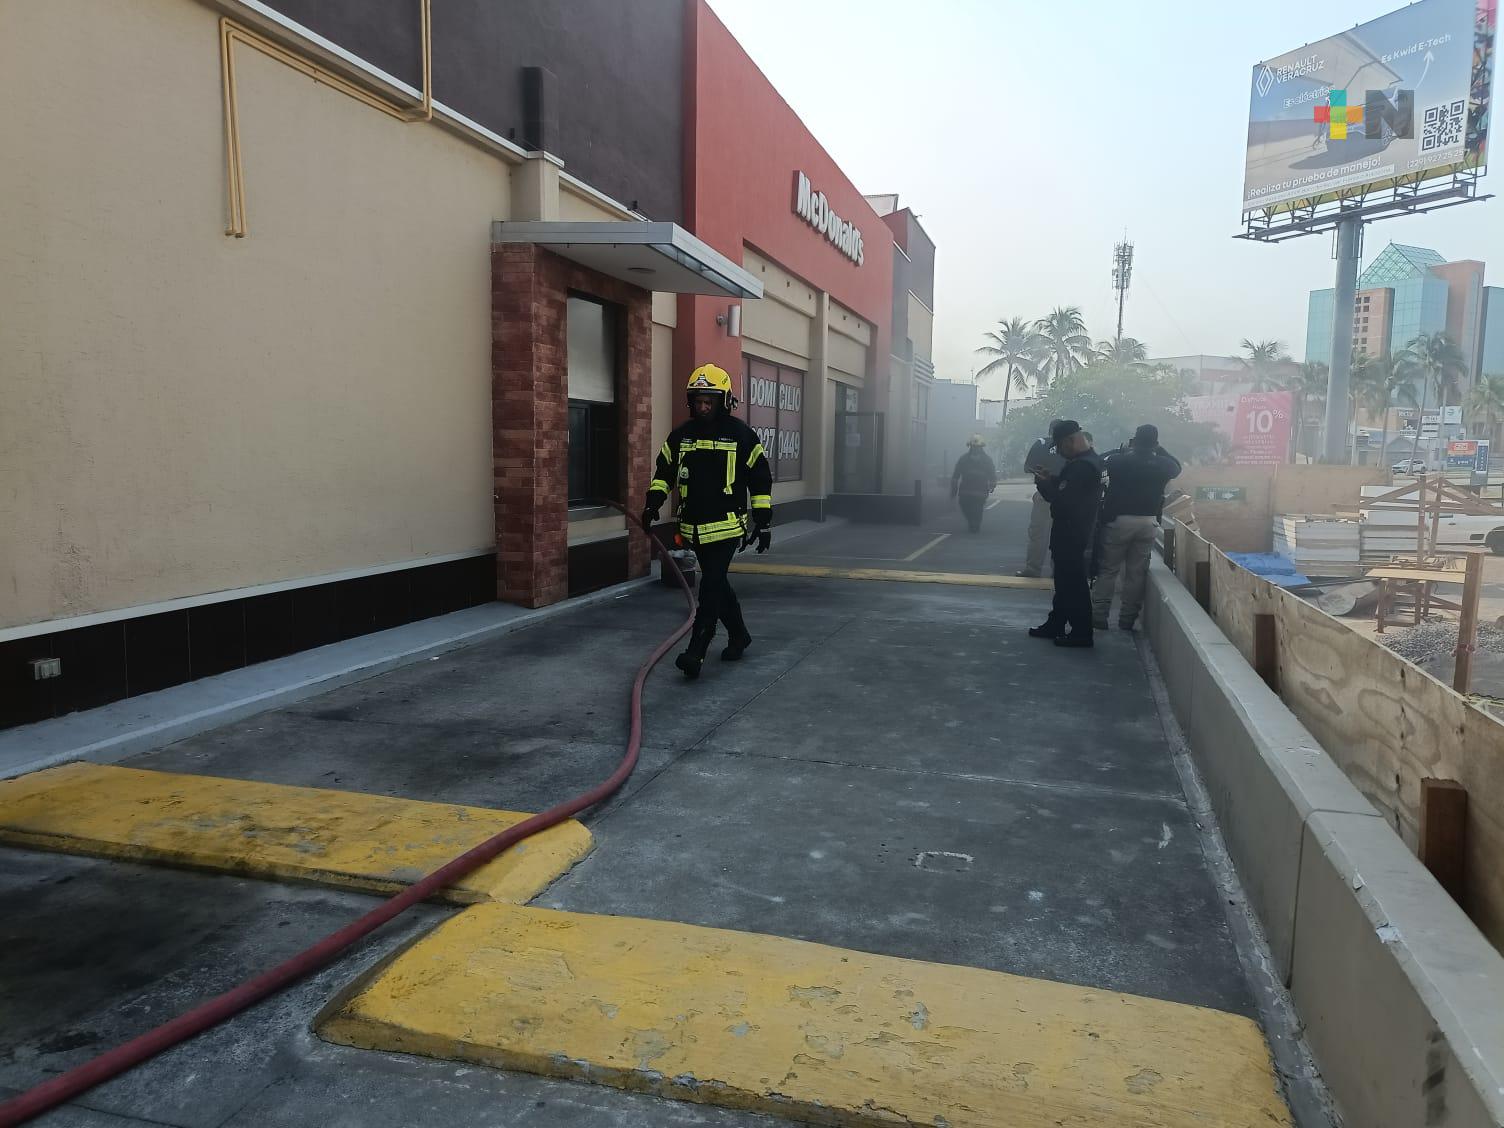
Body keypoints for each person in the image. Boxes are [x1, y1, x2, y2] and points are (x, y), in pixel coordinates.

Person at [642, 363, 773, 679]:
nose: (703, 407)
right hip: (693, 528)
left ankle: (696, 650)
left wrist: (764, 522)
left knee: (710, 586)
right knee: (719, 586)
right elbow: (664, 474)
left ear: (724, 401)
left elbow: (759, 479)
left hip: (727, 528)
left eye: (709, 401)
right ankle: (739, 635)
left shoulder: (741, 435)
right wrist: (652, 504)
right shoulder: (681, 436)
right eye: (698, 401)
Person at [1092, 424, 1182, 631]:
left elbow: (1097, 461)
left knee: (1108, 569)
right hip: (1148, 521)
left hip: (1118, 521)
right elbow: (1177, 466)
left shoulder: (1119, 460)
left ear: (1134, 440)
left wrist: (1121, 449)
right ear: (1155, 443)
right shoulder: (1162, 464)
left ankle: (1099, 615)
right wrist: (1159, 449)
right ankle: (1127, 618)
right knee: (1136, 573)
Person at [1028, 419, 1106, 648]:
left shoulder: (1081, 467)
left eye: (1060, 447)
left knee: (1073, 584)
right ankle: (1056, 623)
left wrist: (1043, 485)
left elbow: (1062, 501)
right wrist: (1051, 479)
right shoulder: (1094, 462)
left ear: (1071, 441)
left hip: (1071, 531)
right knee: (1064, 582)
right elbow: (1068, 489)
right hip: (1080, 529)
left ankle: (1082, 632)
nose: (1060, 453)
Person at [1018, 419, 1065, 577]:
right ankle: (1058, 570)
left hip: (1045, 496)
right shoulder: (1072, 446)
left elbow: (1028, 467)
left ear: (1050, 430)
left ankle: (1033, 568)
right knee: (1062, 535)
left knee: (1038, 534)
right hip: (1067, 497)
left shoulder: (1041, 443)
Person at [950, 435, 997, 534]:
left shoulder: (987, 460)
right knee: (964, 506)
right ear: (970, 447)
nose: (975, 448)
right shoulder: (963, 459)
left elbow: (992, 473)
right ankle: (972, 521)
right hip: (966, 491)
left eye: (977, 447)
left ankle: (975, 524)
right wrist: (954, 489)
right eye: (973, 447)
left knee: (978, 509)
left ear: (981, 447)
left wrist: (993, 484)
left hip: (980, 490)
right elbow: (956, 474)